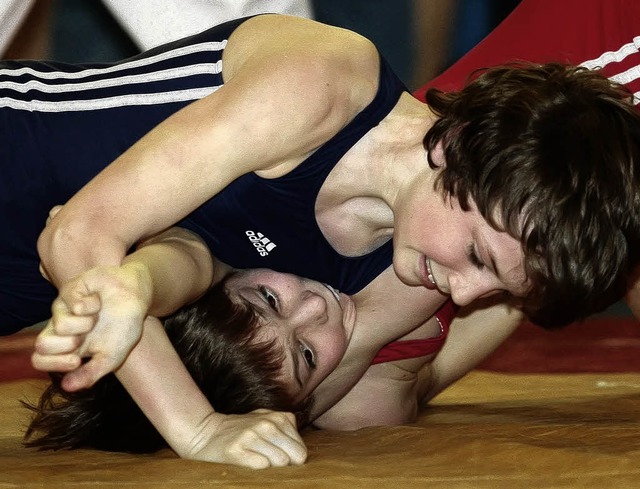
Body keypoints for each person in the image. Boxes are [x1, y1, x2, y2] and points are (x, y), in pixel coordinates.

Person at [2, 13, 638, 467]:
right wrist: (197, 428)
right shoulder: (327, 81)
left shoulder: (412, 269)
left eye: (499, 286)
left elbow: (327, 403)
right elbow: (78, 234)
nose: (466, 293)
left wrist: (137, 285)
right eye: (478, 258)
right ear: (448, 148)